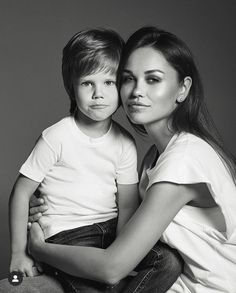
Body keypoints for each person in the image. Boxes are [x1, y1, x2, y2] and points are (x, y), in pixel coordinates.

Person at [25, 26, 236, 292]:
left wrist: (40, 248)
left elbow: (112, 268)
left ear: (183, 89)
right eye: (127, 78)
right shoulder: (154, 157)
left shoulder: (184, 160)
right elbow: (128, 228)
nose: (137, 91)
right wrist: (52, 201)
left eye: (153, 79)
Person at [0, 28, 182, 293]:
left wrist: (122, 255)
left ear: (121, 87)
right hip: (66, 238)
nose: (99, 94)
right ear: (72, 89)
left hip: (109, 235)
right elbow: (20, 193)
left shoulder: (124, 143)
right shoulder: (57, 137)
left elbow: (128, 207)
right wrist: (19, 252)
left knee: (167, 261)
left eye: (109, 83)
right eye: (88, 83)